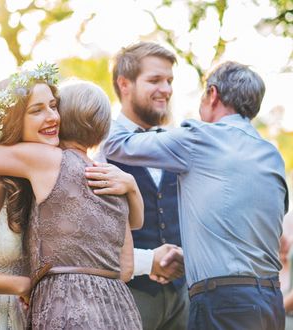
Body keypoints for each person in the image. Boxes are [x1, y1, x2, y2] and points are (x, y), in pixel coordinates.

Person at [0, 66, 140, 329]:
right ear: (15, 120)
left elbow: (93, 257)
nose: (52, 117)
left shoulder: (55, 181)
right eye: (37, 110)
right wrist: (23, 285)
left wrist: (130, 186)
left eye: (53, 106)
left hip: (38, 313)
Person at [104, 61, 289, 330]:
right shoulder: (271, 154)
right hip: (270, 301)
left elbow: (116, 144)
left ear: (212, 94)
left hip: (223, 303)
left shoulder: (198, 139)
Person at [96, 41, 188, 330]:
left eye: (170, 81)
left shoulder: (179, 142)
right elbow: (91, 232)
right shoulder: (98, 144)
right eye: (155, 80)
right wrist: (147, 262)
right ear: (125, 84)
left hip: (181, 296)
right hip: (126, 295)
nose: (166, 89)